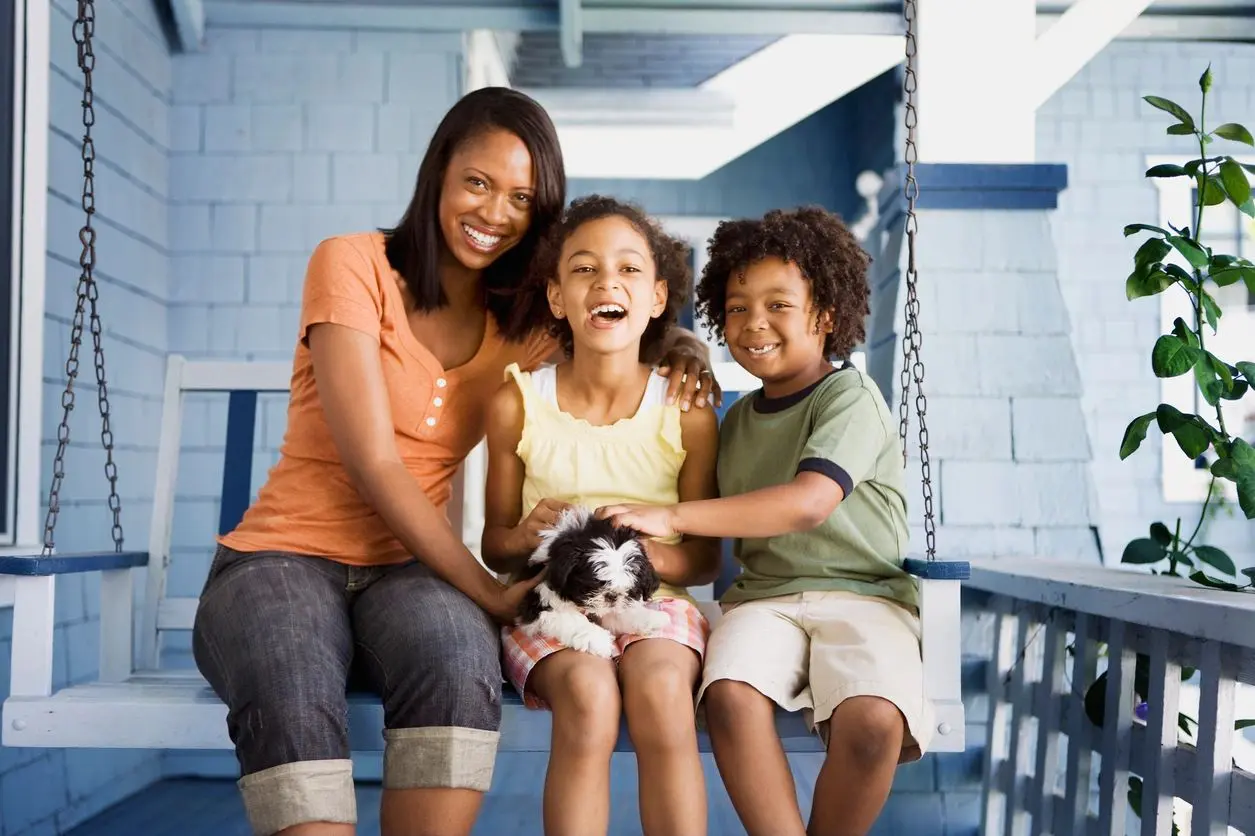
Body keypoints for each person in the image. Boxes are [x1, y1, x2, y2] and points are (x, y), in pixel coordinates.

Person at [191, 88, 719, 836]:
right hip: (282, 555)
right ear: (439, 171)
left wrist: (683, 348)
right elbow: (374, 460)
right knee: (292, 678)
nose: (495, 212)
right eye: (478, 182)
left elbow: (608, 326)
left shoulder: (522, 325)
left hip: (409, 570)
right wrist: (490, 591)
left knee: (454, 659)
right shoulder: (352, 264)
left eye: (521, 198)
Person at [598, 206, 934, 836]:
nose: (754, 323)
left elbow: (809, 500)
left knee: (873, 723)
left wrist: (670, 513)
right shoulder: (737, 418)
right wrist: (681, 354)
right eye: (736, 307)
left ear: (826, 315)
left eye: (779, 305)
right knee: (728, 699)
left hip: (866, 598)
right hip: (764, 602)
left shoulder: (850, 397)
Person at [481, 195, 721, 836]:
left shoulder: (684, 408)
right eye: (584, 269)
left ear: (657, 295)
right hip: (550, 605)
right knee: (588, 698)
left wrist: (643, 552)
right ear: (557, 297)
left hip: (657, 603)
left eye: (628, 270)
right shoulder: (518, 403)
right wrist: (528, 530)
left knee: (663, 691)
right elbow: (495, 547)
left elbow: (704, 557)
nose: (607, 281)